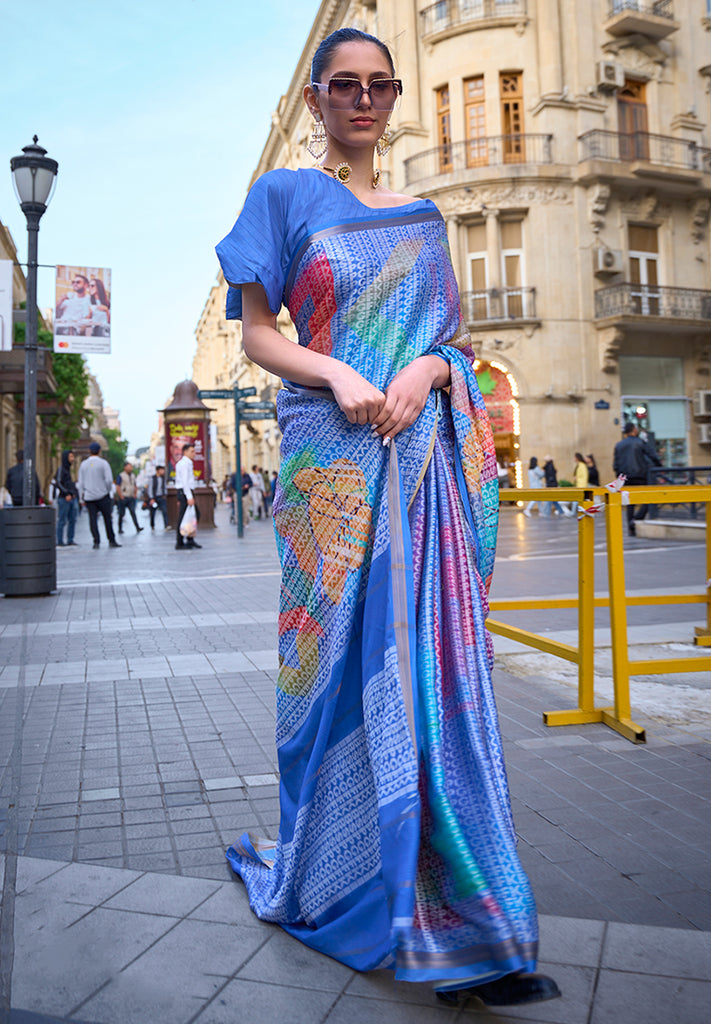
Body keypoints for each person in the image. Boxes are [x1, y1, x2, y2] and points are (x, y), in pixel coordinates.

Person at [216, 27, 559, 1010]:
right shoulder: (284, 199)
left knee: (430, 683)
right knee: (332, 691)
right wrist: (336, 369)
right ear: (318, 101)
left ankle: (469, 923)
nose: (361, 101)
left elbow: (445, 341)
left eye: (377, 86)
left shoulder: (423, 217)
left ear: (393, 96)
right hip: (331, 479)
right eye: (343, 87)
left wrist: (422, 368)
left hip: (421, 479)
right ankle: (336, 879)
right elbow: (255, 331)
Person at [612, 423, 660, 536]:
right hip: (640, 475)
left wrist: (619, 476)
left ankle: (631, 526)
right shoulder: (640, 442)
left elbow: (615, 463)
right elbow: (652, 455)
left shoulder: (619, 445)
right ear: (634, 430)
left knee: (629, 502)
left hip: (625, 477)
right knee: (649, 498)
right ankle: (637, 518)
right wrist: (659, 466)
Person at [78, 442, 120, 548]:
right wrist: (108, 490)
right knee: (107, 518)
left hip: (89, 496)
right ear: (99, 451)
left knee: (92, 520)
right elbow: (109, 480)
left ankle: (96, 541)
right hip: (102, 495)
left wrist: (81, 497)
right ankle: (111, 540)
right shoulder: (104, 463)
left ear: (89, 451)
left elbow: (80, 482)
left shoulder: (83, 464)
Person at [174, 442, 201, 549]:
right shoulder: (185, 463)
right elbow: (185, 481)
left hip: (185, 491)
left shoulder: (187, 463)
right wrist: (189, 496)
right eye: (192, 451)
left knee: (192, 516)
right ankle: (179, 542)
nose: (194, 453)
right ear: (185, 452)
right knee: (184, 517)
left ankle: (190, 539)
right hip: (185, 492)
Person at [54, 449, 79, 546]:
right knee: (62, 520)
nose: (73, 459)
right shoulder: (61, 469)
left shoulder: (69, 469)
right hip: (64, 498)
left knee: (73, 519)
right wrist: (66, 494)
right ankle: (60, 540)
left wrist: (74, 494)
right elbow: (58, 482)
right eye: (71, 457)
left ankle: (70, 539)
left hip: (72, 497)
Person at [116, 461, 143, 534]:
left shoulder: (133, 475)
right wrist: (120, 495)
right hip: (124, 496)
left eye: (131, 466)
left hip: (131, 497)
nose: (130, 468)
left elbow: (135, 485)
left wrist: (135, 493)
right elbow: (118, 486)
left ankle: (137, 527)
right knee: (121, 513)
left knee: (133, 512)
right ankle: (120, 528)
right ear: (125, 467)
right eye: (129, 466)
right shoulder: (121, 475)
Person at [147, 464, 169, 529]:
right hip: (154, 498)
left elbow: (164, 487)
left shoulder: (163, 478)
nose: (163, 471)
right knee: (153, 512)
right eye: (162, 470)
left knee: (164, 511)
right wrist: (151, 498)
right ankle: (152, 525)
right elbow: (150, 488)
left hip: (161, 497)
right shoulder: (152, 478)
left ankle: (166, 525)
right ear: (158, 470)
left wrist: (165, 494)